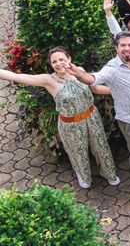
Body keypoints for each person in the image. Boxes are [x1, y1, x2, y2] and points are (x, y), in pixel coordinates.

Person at [0, 46, 119, 190]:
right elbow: (18, 77)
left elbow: (94, 88)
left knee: (101, 146)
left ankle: (109, 173)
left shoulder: (79, 71)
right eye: (54, 61)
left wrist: (116, 92)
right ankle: (84, 176)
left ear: (69, 58)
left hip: (91, 117)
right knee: (78, 151)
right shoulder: (48, 80)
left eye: (61, 59)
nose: (58, 63)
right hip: (70, 124)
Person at [69, 32, 130, 202]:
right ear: (116, 48)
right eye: (123, 45)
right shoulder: (112, 69)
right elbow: (93, 79)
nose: (127, 48)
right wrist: (78, 73)